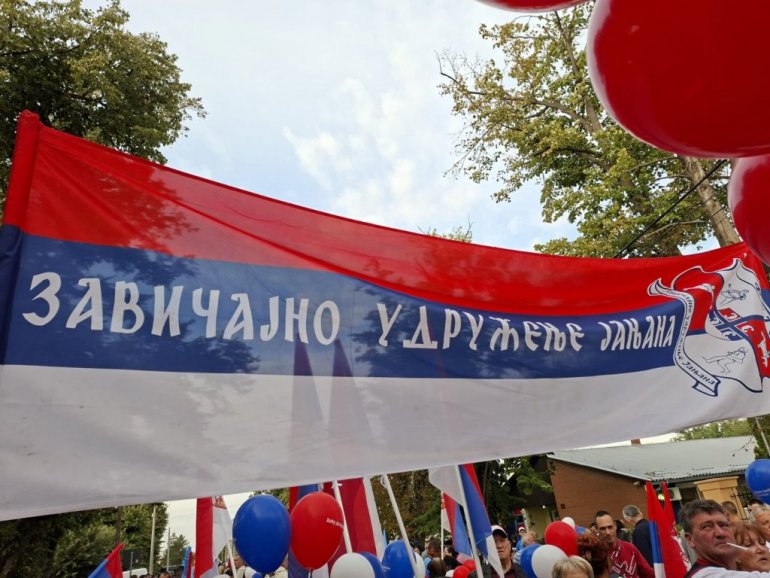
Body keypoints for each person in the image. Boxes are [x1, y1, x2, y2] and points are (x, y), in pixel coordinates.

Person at [595, 510, 654, 578]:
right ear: (597, 529)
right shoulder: (596, 553)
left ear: (615, 526)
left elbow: (648, 573)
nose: (607, 532)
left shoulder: (630, 548)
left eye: (610, 527)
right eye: (602, 529)